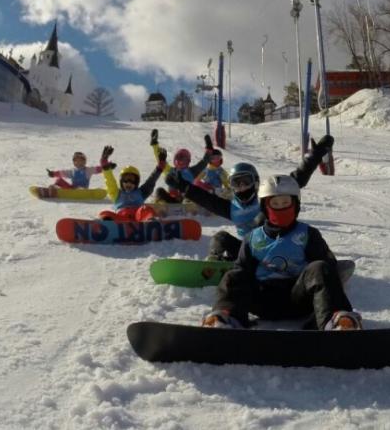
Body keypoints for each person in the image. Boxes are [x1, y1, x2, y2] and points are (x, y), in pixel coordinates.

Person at [201, 173, 362, 331]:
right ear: (265, 206)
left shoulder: (308, 234)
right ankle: (226, 319)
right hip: (262, 301)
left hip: (298, 300)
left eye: (285, 203)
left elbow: (327, 270)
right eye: (275, 204)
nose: (280, 208)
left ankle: (337, 322)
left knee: (319, 267)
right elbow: (242, 271)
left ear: (295, 204)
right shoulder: (252, 238)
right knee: (234, 275)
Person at [165, 135, 334, 261]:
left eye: (245, 181)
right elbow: (205, 199)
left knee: (270, 221)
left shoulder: (265, 198)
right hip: (250, 253)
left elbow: (296, 179)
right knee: (221, 238)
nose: (241, 187)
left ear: (255, 182)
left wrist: (315, 155)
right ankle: (215, 265)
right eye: (236, 183)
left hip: (276, 247)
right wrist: (183, 186)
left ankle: (323, 261)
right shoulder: (231, 208)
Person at [99, 145, 167, 221]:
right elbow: (110, 181)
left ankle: (149, 222)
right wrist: (104, 164)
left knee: (146, 209)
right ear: (121, 181)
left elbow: (151, 181)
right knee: (104, 213)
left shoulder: (141, 192)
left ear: (136, 182)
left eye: (132, 180)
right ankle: (108, 224)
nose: (129, 183)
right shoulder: (116, 193)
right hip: (122, 218)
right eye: (126, 180)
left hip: (138, 218)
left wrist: (160, 167)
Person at [151, 130, 213, 204]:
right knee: (159, 191)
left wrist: (209, 148)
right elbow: (160, 160)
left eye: (183, 159)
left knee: (197, 193)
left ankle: (191, 205)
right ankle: (161, 205)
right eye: (179, 158)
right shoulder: (171, 170)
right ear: (175, 159)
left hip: (187, 198)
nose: (180, 161)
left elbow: (204, 162)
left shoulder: (192, 171)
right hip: (172, 200)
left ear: (188, 161)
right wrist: (155, 145)